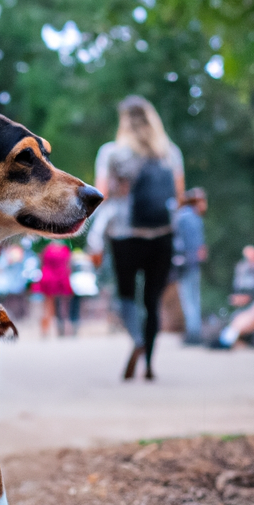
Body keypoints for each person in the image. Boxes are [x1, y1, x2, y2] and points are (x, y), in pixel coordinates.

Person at [88, 95, 185, 380]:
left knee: (124, 296)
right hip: (162, 233)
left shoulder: (112, 153)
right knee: (152, 300)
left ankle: (137, 340)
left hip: (125, 234)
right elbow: (178, 198)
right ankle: (150, 365)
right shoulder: (170, 153)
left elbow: (101, 195)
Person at [172, 187, 208, 345]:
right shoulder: (189, 217)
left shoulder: (184, 216)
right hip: (188, 264)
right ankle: (194, 333)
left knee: (190, 299)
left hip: (187, 264)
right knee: (192, 298)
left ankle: (193, 333)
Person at [38, 241, 73, 337]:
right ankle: (64, 330)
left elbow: (42, 262)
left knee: (47, 306)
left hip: (49, 277)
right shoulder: (65, 249)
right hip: (61, 276)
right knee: (64, 307)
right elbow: (68, 264)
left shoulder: (47, 249)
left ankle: (45, 330)